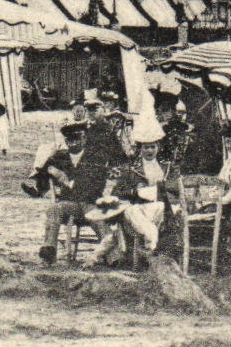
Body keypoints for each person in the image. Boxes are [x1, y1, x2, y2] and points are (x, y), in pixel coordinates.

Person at [87, 114, 169, 266]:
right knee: (132, 212)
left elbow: (173, 190)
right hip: (137, 210)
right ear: (140, 149)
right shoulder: (132, 169)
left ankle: (150, 245)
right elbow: (117, 193)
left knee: (162, 207)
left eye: (153, 147)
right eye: (146, 147)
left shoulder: (166, 168)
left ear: (158, 147)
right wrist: (134, 193)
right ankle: (151, 245)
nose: (149, 151)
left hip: (160, 210)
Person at [37, 120, 114, 265]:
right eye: (69, 139)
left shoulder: (95, 158)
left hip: (91, 202)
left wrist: (72, 183)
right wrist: (51, 171)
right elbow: (40, 173)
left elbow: (100, 183)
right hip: (69, 203)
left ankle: (113, 257)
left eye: (77, 138)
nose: (73, 143)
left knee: (98, 218)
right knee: (54, 208)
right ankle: (49, 250)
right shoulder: (60, 157)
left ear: (84, 139)